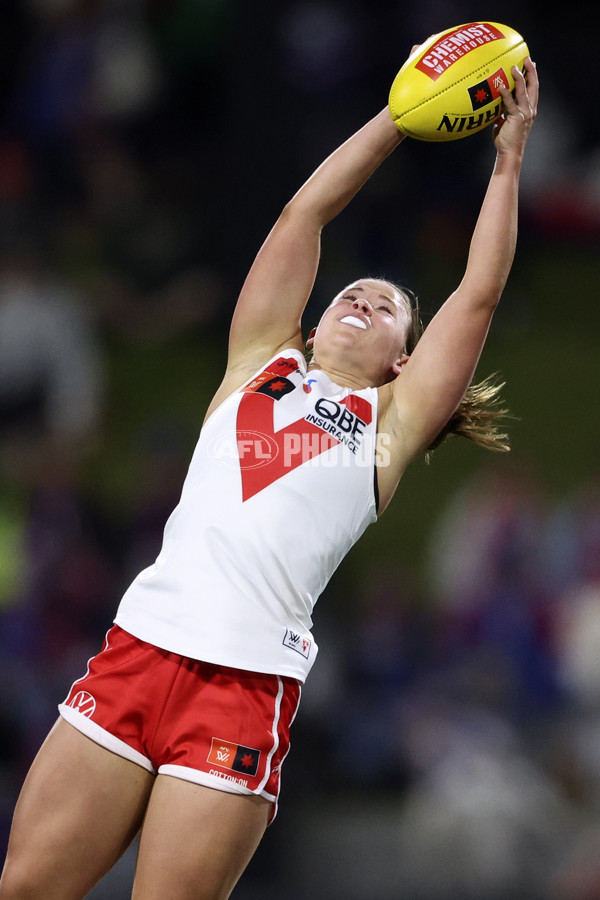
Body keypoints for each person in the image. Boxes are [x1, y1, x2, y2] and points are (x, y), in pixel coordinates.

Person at [0, 48, 538, 900]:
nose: (357, 300)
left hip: (244, 684)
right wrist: (399, 121)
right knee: (27, 887)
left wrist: (508, 158)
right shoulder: (255, 360)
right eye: (350, 293)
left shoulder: (387, 430)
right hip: (139, 648)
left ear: (406, 361)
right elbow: (304, 215)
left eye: (384, 305)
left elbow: (477, 290)